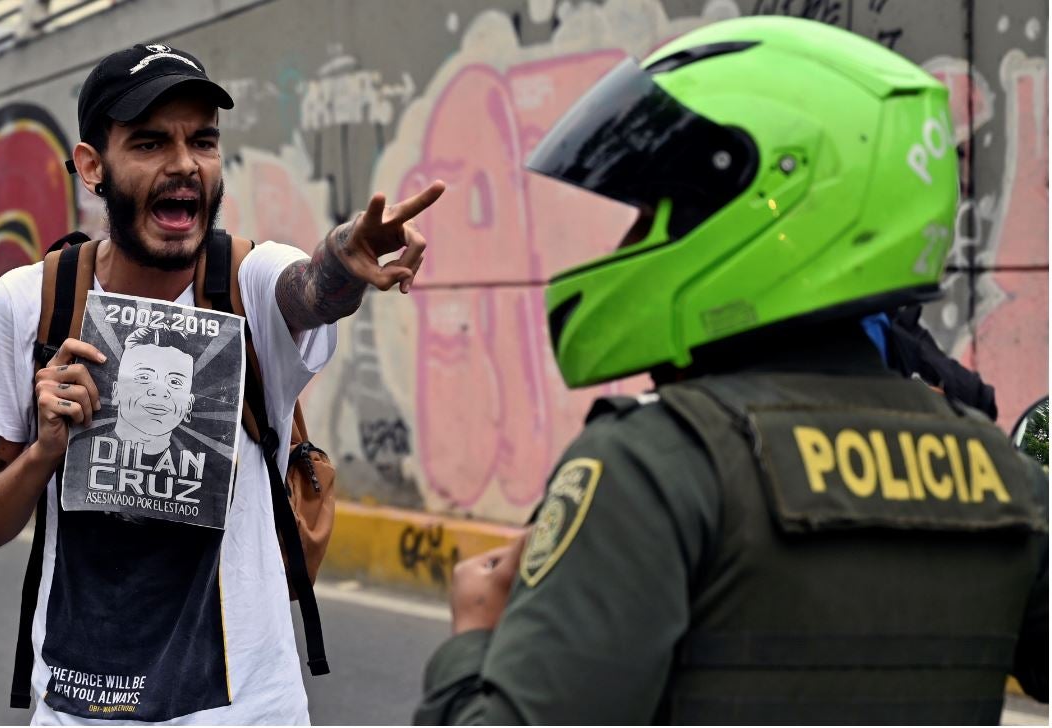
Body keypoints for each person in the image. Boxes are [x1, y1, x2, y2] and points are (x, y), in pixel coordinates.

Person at [414, 17, 1047, 725]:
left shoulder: (655, 468)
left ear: (764, 207)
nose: (626, 245)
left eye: (654, 213)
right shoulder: (1006, 477)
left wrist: (472, 641)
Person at [0, 42, 444, 724]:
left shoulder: (251, 283)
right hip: (75, 710)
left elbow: (309, 290)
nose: (184, 164)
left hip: (247, 711)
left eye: (203, 141)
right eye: (150, 143)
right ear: (93, 165)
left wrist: (344, 261)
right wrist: (42, 455)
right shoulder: (28, 304)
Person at [112, 326, 195, 454]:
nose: (159, 391)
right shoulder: (78, 451)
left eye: (174, 382)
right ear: (116, 392)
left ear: (189, 404)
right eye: (144, 377)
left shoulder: (205, 469)